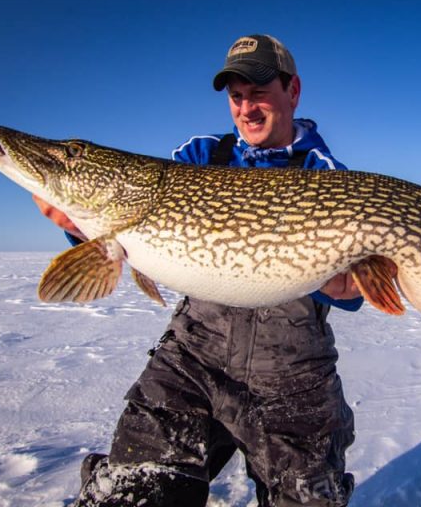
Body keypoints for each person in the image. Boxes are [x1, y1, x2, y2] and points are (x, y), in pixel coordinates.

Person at [35, 34, 361, 506]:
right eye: (236, 96)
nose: (245, 108)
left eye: (259, 93)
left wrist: (342, 281)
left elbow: (352, 293)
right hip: (193, 360)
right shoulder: (201, 157)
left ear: (293, 92)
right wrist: (82, 227)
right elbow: (136, 232)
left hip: (294, 375)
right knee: (132, 493)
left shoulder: (326, 175)